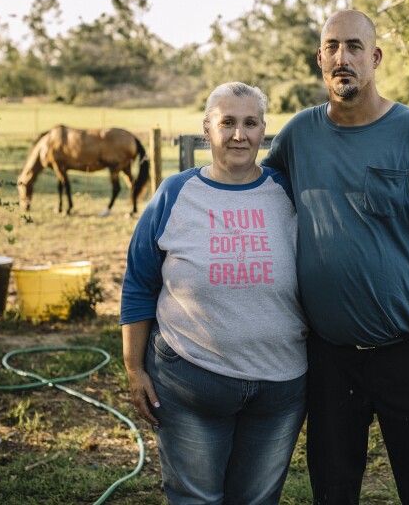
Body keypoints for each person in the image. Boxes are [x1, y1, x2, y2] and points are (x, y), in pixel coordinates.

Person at [263, 10, 409, 504]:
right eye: (332, 47)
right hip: (329, 357)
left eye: (355, 47)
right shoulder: (298, 136)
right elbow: (255, 197)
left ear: (376, 57)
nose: (343, 58)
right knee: (333, 490)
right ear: (320, 59)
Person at [120, 82, 308, 504]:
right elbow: (138, 283)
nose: (239, 135)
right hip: (190, 380)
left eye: (250, 123)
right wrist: (134, 369)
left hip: (280, 386)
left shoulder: (289, 193)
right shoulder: (174, 194)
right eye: (227, 123)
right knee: (196, 500)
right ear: (208, 130)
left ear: (263, 132)